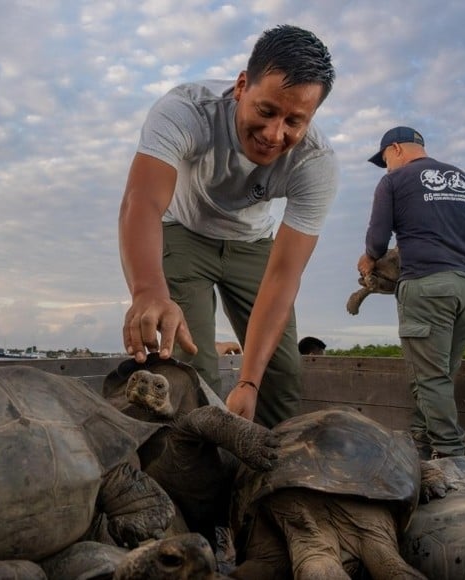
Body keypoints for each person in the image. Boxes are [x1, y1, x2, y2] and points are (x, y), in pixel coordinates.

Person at [119, 24, 338, 428]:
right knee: (189, 363)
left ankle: (273, 475)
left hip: (252, 244)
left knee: (281, 372)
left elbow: (284, 275)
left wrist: (249, 382)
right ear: (241, 86)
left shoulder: (315, 162)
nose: (275, 134)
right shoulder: (187, 110)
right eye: (267, 111)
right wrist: (148, 291)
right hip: (184, 231)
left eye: (295, 121)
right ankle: (195, 480)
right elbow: (142, 201)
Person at [358, 126, 465, 459]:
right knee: (440, 375)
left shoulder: (394, 181)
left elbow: (377, 239)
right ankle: (420, 443)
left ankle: (453, 457)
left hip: (427, 287)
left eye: (385, 159)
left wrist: (368, 260)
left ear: (395, 149)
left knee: (430, 378)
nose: (386, 166)